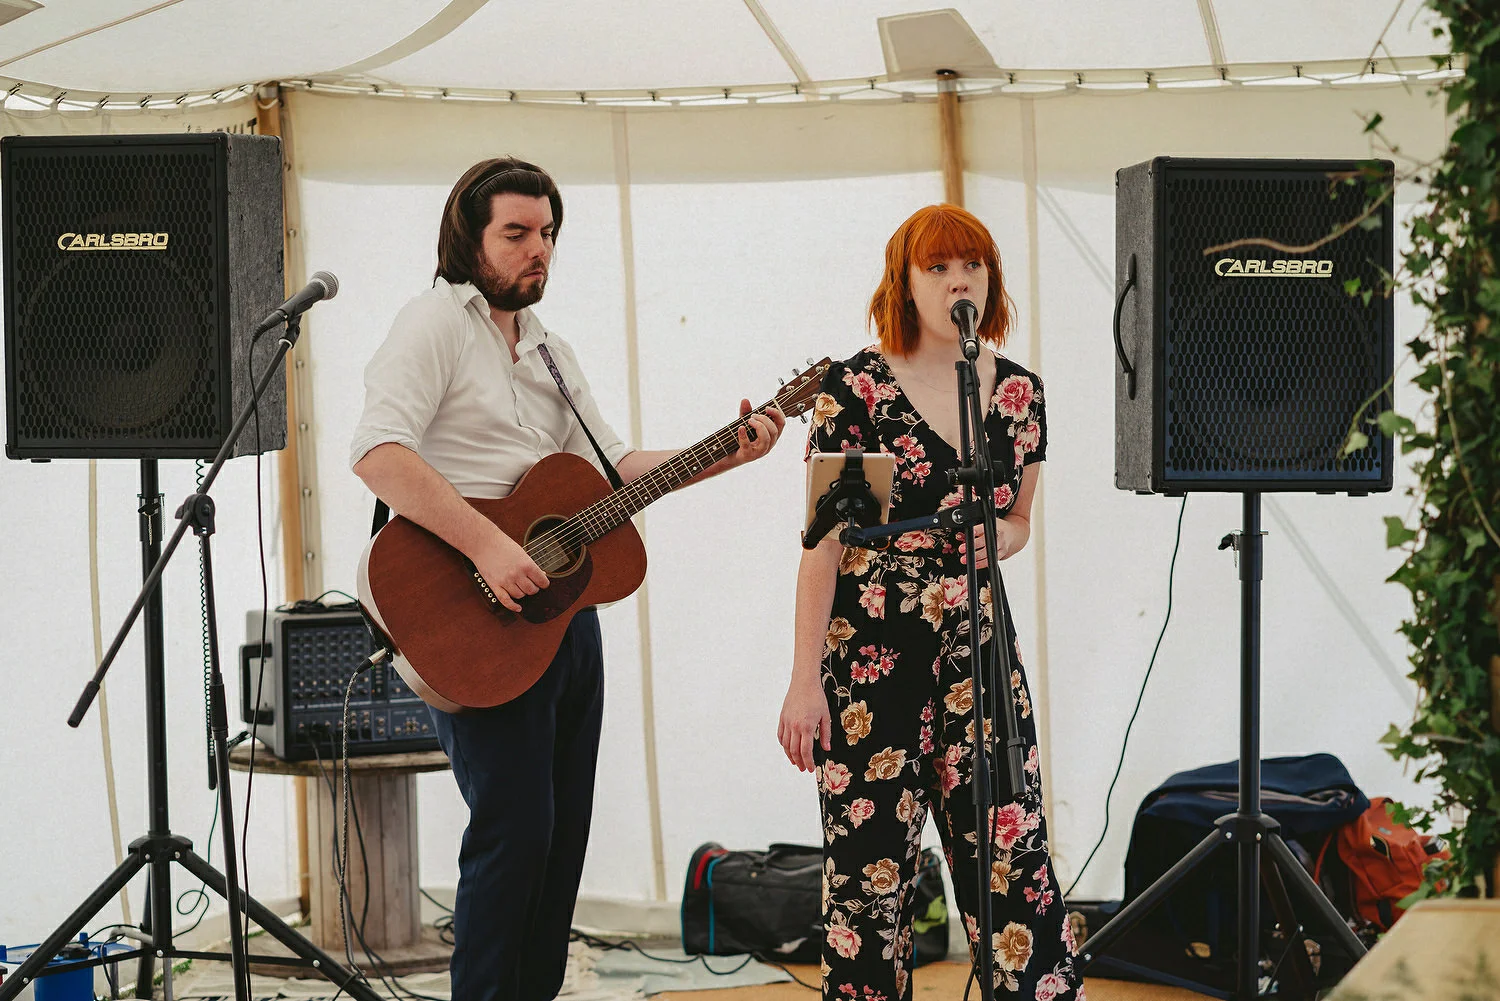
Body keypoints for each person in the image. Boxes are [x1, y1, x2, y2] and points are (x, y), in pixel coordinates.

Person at [351, 156, 785, 1001]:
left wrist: (725, 453)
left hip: (563, 614)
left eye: (547, 233)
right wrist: (487, 545)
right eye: (516, 233)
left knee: (559, 836)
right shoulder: (434, 323)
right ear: (469, 238)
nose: (538, 250)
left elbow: (614, 468)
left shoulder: (551, 350)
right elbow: (377, 452)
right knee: (514, 829)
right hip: (474, 610)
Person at [778, 204, 1083, 1001]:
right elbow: (824, 544)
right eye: (939, 267)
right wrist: (804, 681)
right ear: (904, 283)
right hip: (870, 657)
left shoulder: (1017, 393)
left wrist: (1004, 536)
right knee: (869, 878)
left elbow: (1019, 518)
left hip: (979, 655)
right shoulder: (856, 388)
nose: (959, 282)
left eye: (972, 266)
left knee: (1012, 863)